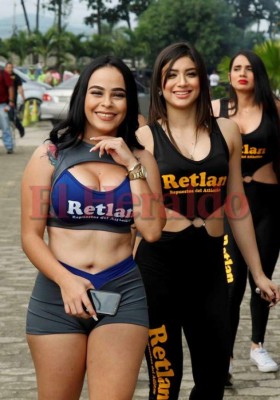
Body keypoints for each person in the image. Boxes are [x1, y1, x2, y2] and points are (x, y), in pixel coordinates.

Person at [134, 42, 280, 400]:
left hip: (210, 269)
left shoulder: (227, 131)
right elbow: (134, 216)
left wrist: (259, 273)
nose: (181, 83)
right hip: (158, 269)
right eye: (171, 75)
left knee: (212, 380)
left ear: (202, 79)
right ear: (159, 84)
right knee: (165, 385)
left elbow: (237, 205)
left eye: (190, 73)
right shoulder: (145, 138)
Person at [21, 55, 165, 400]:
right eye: (97, 93)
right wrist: (67, 281)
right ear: (82, 96)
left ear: (129, 102)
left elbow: (152, 230)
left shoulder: (142, 159)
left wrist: (131, 164)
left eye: (118, 94)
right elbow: (29, 236)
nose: (106, 103)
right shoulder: (50, 154)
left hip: (122, 295)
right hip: (57, 298)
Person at [212, 50, 280, 382]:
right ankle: (222, 357)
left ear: (258, 75)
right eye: (236, 68)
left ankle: (257, 345)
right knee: (230, 284)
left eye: (249, 68)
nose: (242, 73)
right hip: (230, 206)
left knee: (262, 279)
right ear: (229, 75)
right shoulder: (215, 110)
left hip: (268, 203)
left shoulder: (274, 110)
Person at [5, 62, 25, 137]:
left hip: (12, 101)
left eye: (11, 67)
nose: (10, 69)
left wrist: (23, 98)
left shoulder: (16, 77)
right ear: (5, 68)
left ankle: (21, 128)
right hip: (2, 101)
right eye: (8, 67)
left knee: (12, 117)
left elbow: (20, 88)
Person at [0, 66, 15, 153]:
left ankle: (9, 146)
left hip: (2, 105)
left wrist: (11, 101)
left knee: (5, 126)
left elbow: (10, 87)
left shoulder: (3, 73)